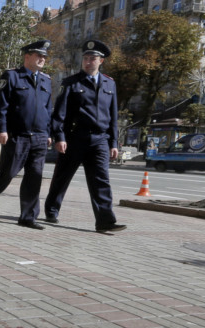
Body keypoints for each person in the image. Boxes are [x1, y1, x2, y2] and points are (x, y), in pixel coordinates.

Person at [44, 40, 127, 233]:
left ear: (101, 61)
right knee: (62, 177)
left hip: (100, 140)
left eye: (93, 59)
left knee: (101, 180)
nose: (88, 62)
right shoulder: (71, 83)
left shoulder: (110, 83)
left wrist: (113, 142)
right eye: (86, 58)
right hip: (74, 138)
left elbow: (113, 115)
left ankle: (105, 221)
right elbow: (60, 114)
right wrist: (60, 137)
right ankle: (52, 209)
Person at [0, 40, 53, 230]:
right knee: (8, 174)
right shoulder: (12, 76)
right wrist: (1, 129)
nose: (42, 59)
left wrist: (49, 132)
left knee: (34, 177)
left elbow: (48, 109)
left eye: (44, 56)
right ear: (27, 56)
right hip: (17, 136)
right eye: (39, 55)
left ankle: (28, 217)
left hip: (39, 137)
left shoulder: (46, 80)